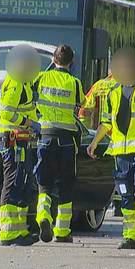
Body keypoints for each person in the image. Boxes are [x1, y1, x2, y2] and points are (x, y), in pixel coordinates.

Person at [87, 48, 135, 249]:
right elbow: (106, 122)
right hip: (120, 154)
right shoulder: (112, 93)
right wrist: (95, 142)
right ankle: (129, 236)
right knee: (125, 193)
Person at [33, 45, 85, 243]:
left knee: (44, 183)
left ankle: (43, 216)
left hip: (45, 136)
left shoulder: (41, 78)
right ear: (71, 62)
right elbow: (83, 105)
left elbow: (31, 94)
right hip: (67, 140)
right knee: (66, 184)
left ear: (53, 60)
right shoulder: (74, 82)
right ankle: (62, 231)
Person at [0, 44, 42, 246]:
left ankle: (20, 230)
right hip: (12, 139)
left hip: (22, 139)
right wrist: (29, 123)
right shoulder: (15, 82)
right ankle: (8, 233)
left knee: (21, 182)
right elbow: (7, 112)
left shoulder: (23, 82)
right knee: (13, 182)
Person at [78, 71, 123, 217]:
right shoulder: (125, 85)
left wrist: (86, 132)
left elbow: (84, 110)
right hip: (120, 135)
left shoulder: (99, 86)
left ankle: (110, 200)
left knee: (108, 170)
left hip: (101, 135)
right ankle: (118, 203)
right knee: (122, 171)